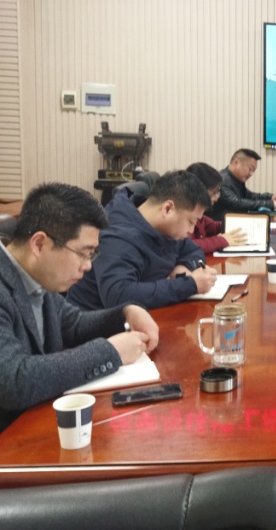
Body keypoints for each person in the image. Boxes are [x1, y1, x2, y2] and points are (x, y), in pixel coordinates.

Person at [0, 183, 159, 432]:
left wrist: (126, 313)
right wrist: (110, 352)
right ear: (39, 244)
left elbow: (72, 324)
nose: (88, 266)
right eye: (83, 253)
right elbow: (13, 382)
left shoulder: (37, 275)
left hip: (41, 421)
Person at [67, 170, 217, 311]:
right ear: (167, 209)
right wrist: (189, 285)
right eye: (191, 222)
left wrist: (182, 266)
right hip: (97, 322)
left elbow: (194, 251)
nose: (191, 230)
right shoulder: (118, 234)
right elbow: (119, 295)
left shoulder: (167, 228)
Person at [207, 149, 276, 221]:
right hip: (219, 226)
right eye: (250, 169)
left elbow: (249, 196)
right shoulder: (222, 181)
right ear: (236, 163)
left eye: (253, 170)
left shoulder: (236, 179)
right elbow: (237, 203)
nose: (251, 173)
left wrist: (270, 197)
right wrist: (271, 204)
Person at [185, 162, 248, 254]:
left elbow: (215, 227)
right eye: (214, 193)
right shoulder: (183, 215)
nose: (216, 198)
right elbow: (188, 246)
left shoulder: (200, 217)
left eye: (218, 192)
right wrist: (222, 240)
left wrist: (241, 226)